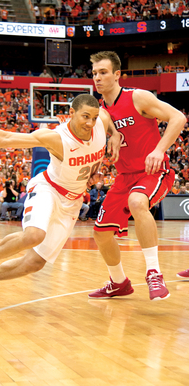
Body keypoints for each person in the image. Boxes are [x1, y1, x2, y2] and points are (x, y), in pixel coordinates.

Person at [0, 94, 120, 308]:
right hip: (48, 189)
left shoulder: (100, 123)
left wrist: (113, 134)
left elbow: (105, 114)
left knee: (34, 263)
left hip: (72, 202)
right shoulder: (56, 138)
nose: (90, 122)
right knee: (34, 235)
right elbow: (7, 139)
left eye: (93, 117)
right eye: (85, 116)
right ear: (71, 114)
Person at [88, 51, 186, 301]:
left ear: (117, 74)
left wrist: (158, 150)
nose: (97, 78)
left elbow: (178, 118)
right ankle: (118, 282)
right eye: (94, 73)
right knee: (100, 232)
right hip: (124, 177)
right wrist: (108, 144)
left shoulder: (138, 97)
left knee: (137, 202)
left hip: (154, 171)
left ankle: (154, 272)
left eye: (103, 72)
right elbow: (106, 129)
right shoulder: (100, 110)